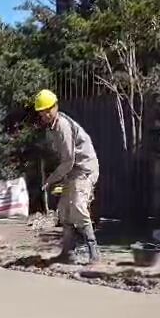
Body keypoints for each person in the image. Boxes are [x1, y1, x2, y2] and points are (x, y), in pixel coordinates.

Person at [35, 89, 101, 265]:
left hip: (84, 169)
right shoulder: (53, 127)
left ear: (56, 106)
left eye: (49, 109)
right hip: (73, 171)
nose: (46, 114)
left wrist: (51, 180)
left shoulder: (62, 126)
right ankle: (68, 253)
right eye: (43, 112)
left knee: (78, 207)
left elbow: (68, 160)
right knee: (64, 210)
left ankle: (94, 252)